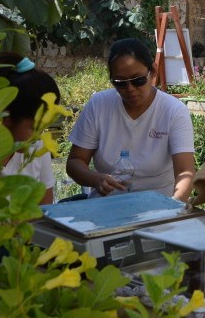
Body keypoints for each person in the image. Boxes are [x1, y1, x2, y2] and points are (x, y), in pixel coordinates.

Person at [66, 38, 196, 200]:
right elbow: (75, 161)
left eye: (138, 80)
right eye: (120, 83)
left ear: (153, 72)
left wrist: (174, 206)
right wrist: (96, 179)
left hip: (158, 208)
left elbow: (185, 172)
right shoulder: (99, 105)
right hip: (106, 207)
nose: (130, 89)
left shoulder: (173, 111)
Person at [0, 53, 60, 206]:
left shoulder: (36, 145)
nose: (40, 135)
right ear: (5, 117)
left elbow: (44, 206)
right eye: (34, 127)